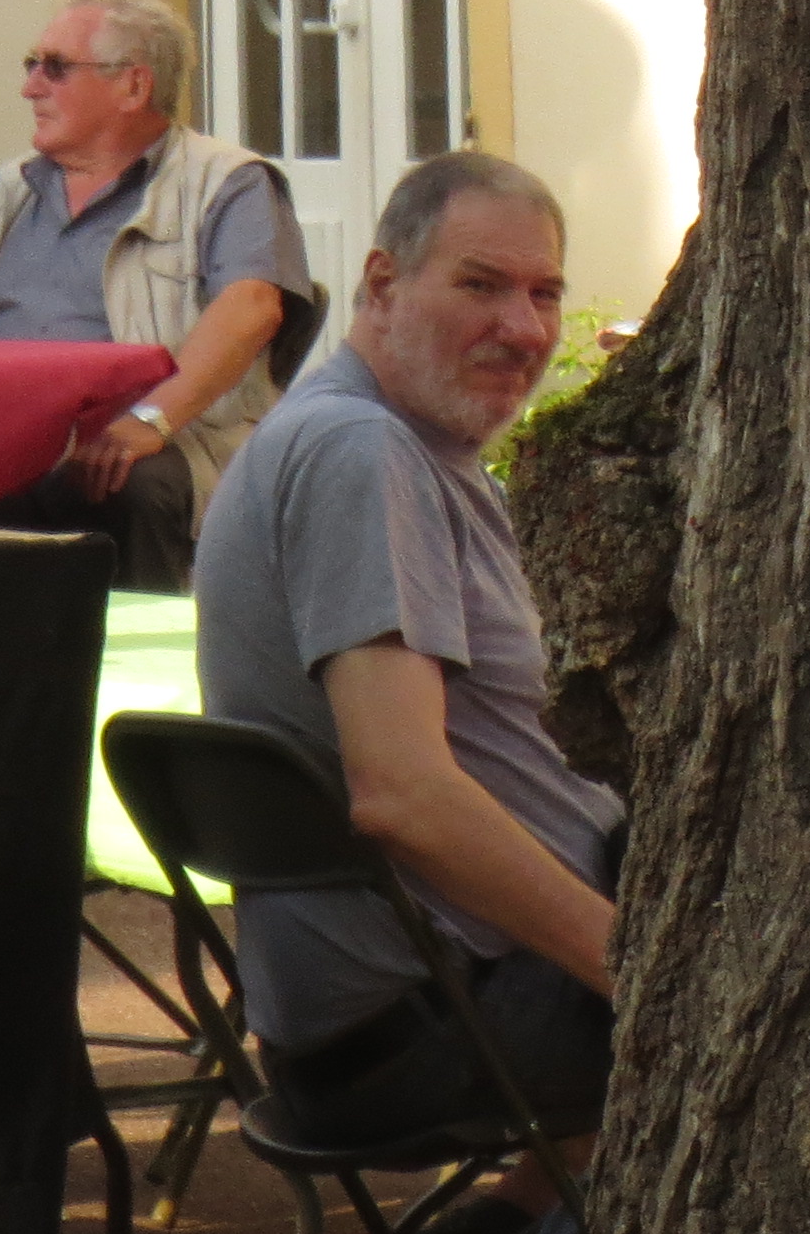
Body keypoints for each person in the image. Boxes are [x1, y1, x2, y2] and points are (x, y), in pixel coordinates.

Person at [193, 148, 614, 1159]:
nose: (523, 329)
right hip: (426, 1036)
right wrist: (655, 975)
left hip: (396, 1022)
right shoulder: (358, 453)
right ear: (383, 283)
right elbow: (404, 795)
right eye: (480, 286)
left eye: (545, 293)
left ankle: (539, 1224)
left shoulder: (393, 446)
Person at [0, 0, 315, 590]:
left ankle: (136, 667)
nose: (31, 86)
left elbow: (251, 308)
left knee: (130, 482)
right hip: (11, 438)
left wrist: (151, 418)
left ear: (133, 87)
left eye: (54, 68)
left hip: (167, 440)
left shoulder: (227, 184)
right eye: (31, 65)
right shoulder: (2, 196)